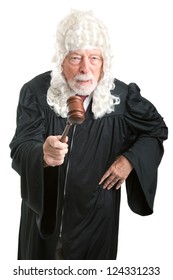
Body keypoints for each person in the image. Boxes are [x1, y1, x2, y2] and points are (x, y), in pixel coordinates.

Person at [9, 9, 168, 260]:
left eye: (94, 58)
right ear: (61, 60)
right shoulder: (37, 93)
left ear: (104, 62)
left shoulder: (123, 98)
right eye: (75, 58)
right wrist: (42, 153)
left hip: (96, 226)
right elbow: (20, 146)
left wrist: (130, 160)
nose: (85, 68)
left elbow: (156, 130)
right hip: (44, 225)